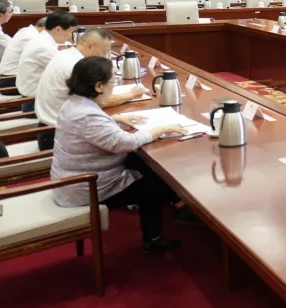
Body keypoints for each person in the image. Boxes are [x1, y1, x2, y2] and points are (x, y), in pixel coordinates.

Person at [51, 56, 186, 254]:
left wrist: (115, 119)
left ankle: (177, 202)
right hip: (85, 187)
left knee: (140, 162)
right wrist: (159, 130)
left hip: (72, 178)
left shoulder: (75, 103)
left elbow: (93, 130)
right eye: (112, 80)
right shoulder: (87, 115)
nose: (114, 85)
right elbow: (125, 143)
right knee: (152, 185)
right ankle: (153, 239)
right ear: (98, 86)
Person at [35, 28, 147, 148]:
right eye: (104, 52)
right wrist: (131, 95)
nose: (105, 57)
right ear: (90, 46)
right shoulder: (75, 66)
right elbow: (101, 101)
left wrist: (114, 119)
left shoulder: (67, 54)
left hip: (59, 127)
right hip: (57, 136)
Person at [17, 11, 79, 106]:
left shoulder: (44, 39)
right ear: (58, 30)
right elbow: (69, 71)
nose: (70, 36)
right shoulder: (43, 46)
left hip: (41, 95)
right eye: (70, 31)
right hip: (35, 101)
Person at [0, 16, 46, 83]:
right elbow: (43, 58)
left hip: (8, 76)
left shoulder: (25, 30)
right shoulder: (32, 36)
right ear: (45, 28)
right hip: (11, 79)